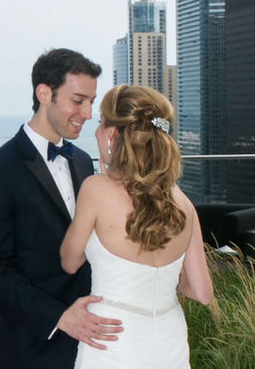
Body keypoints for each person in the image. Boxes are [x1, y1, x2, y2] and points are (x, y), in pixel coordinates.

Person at [0, 48, 123, 369]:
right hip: (28, 347)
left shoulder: (83, 161)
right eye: (78, 100)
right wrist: (59, 317)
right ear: (44, 94)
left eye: (92, 102)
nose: (87, 112)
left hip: (87, 345)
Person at [60, 84, 213, 368]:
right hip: (170, 342)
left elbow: (69, 262)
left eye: (100, 123)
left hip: (112, 341)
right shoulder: (183, 203)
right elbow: (202, 292)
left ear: (113, 134)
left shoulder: (96, 190)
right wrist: (161, 277)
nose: (96, 131)